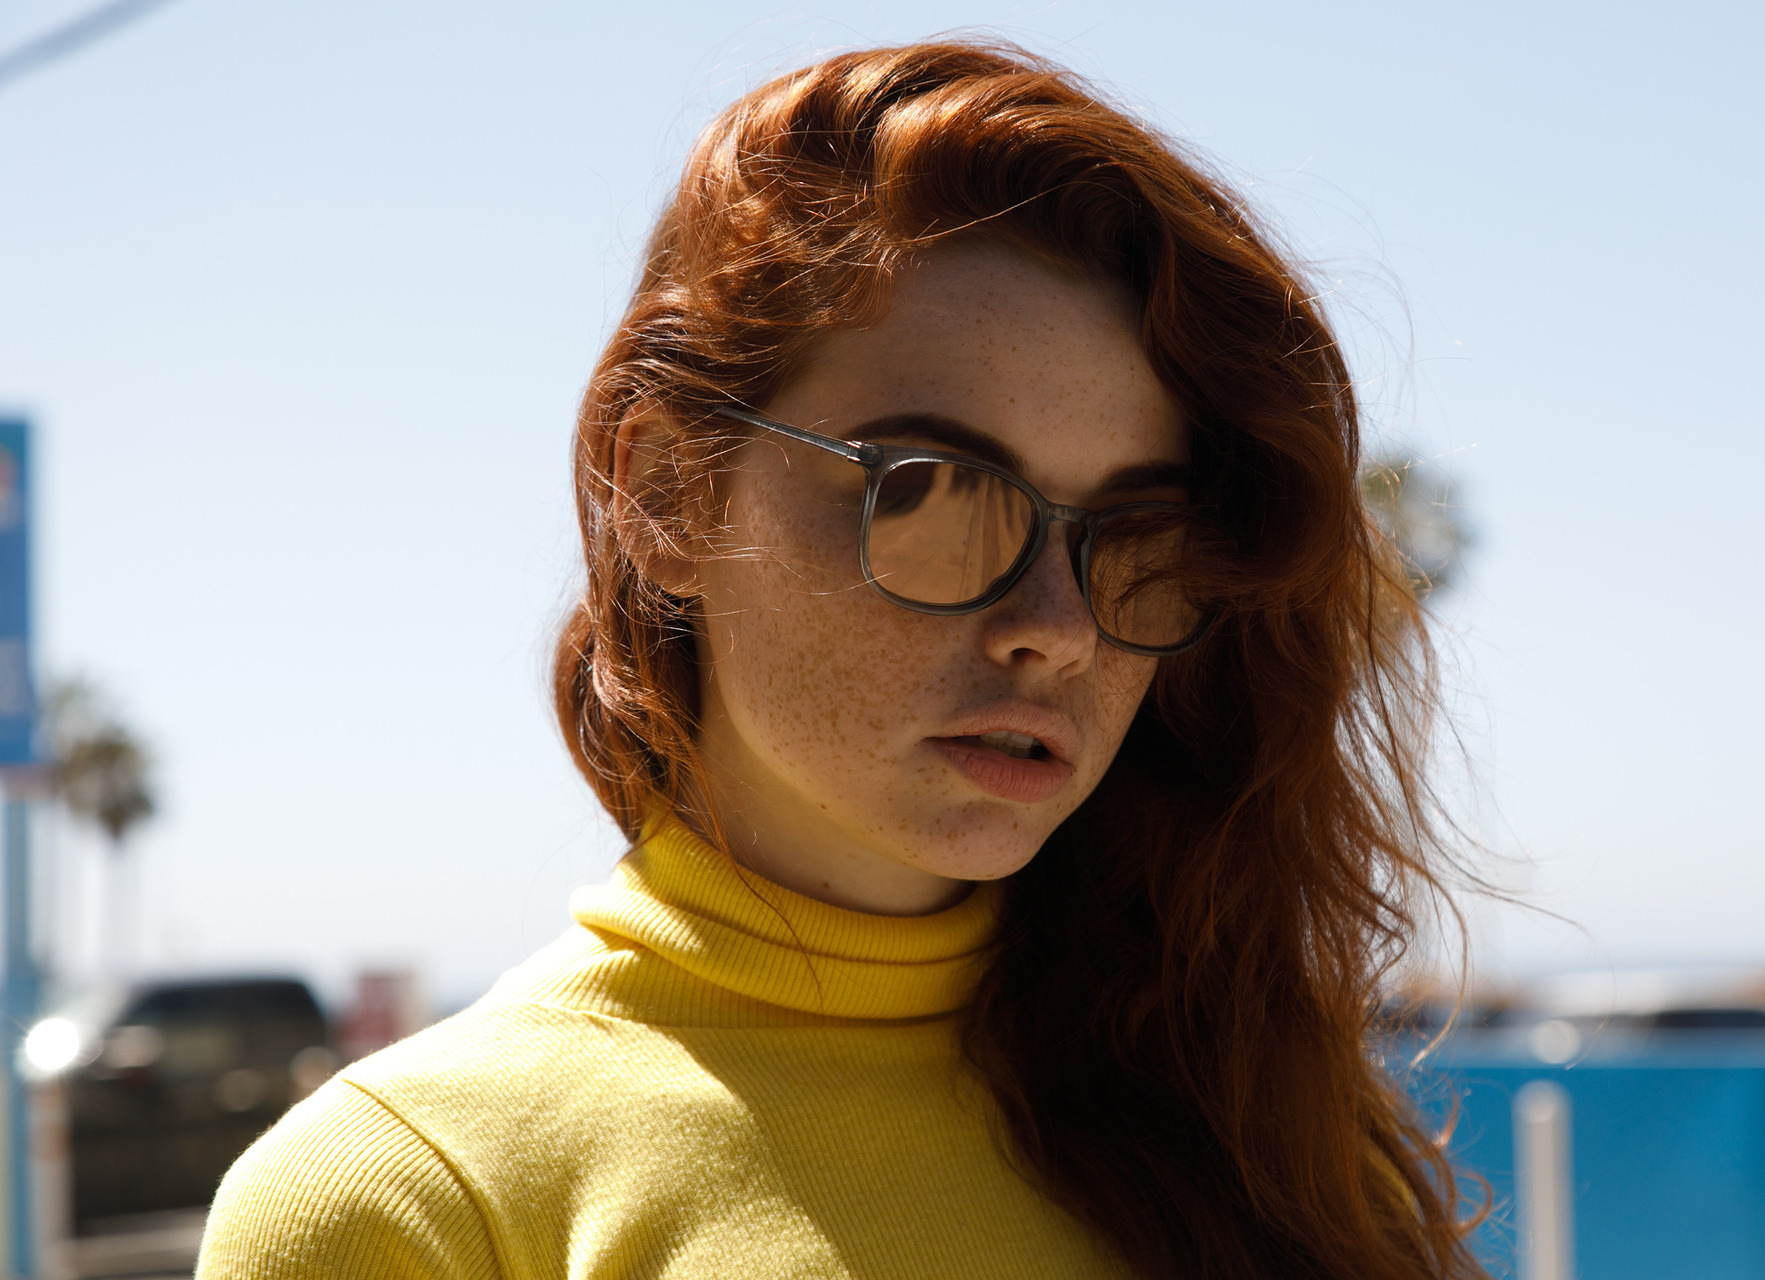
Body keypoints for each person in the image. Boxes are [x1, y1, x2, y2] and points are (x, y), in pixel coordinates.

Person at [198, 40, 1482, 1280]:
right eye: (934, 491)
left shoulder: (1273, 1145)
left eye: (1137, 538)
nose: (1060, 623)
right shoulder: (416, 1198)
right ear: (668, 498)